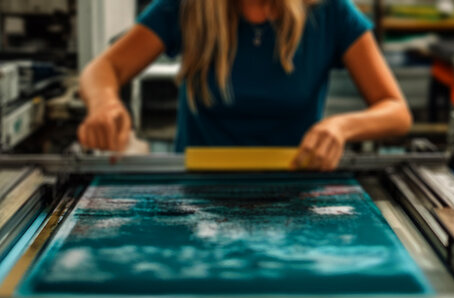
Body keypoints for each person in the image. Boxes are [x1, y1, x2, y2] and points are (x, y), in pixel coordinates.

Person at [77, 0, 412, 171]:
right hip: (197, 197)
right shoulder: (186, 7)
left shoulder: (330, 11)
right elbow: (103, 68)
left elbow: (396, 111)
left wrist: (341, 127)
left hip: (295, 192)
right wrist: (104, 103)